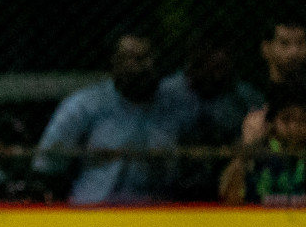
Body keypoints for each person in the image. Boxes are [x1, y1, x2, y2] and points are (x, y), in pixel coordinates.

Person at [32, 31, 188, 205]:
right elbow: (48, 165)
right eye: (134, 59)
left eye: (149, 58)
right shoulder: (84, 105)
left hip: (158, 211)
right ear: (114, 62)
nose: (145, 67)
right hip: (94, 209)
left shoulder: (175, 108)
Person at [160, 38, 263, 201]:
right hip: (173, 185)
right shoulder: (167, 92)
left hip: (226, 185)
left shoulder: (245, 97)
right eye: (206, 65)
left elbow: (259, 141)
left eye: (220, 67)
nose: (213, 73)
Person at [221, 83, 306, 205]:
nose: (294, 127)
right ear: (272, 123)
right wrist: (243, 158)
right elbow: (230, 199)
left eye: (302, 120)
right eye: (286, 119)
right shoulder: (257, 155)